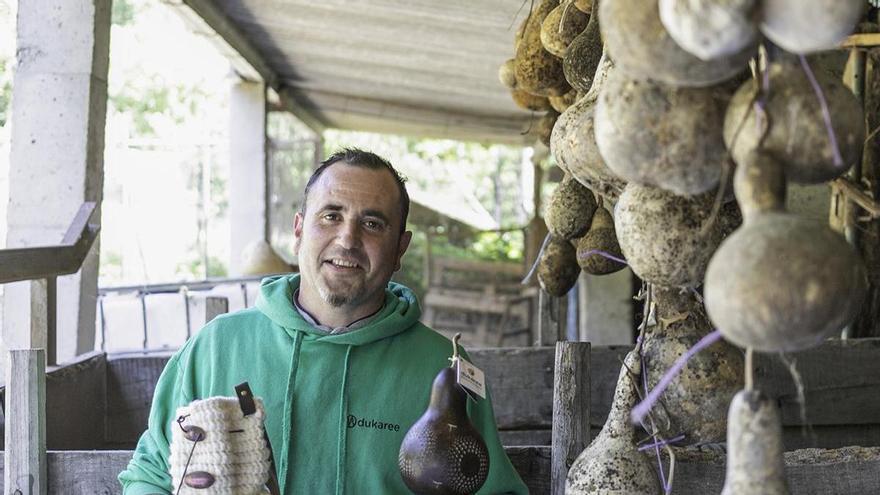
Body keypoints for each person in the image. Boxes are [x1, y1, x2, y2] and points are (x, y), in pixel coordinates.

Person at [119, 148, 529, 494]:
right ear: (298, 230)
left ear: (400, 246)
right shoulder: (215, 347)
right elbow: (149, 475)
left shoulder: (445, 368)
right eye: (330, 216)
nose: (347, 239)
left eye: (372, 223)